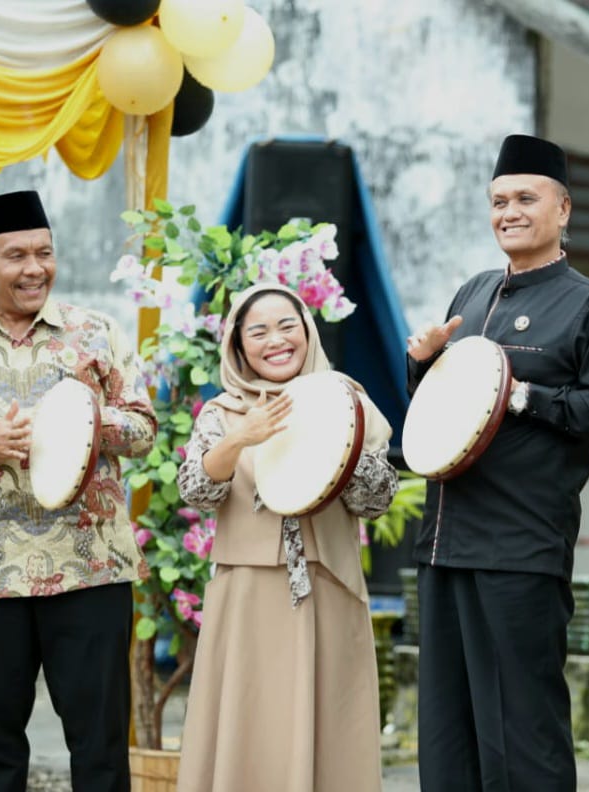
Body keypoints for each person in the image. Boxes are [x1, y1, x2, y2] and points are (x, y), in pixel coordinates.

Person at [405, 133, 589, 791]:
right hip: (444, 543)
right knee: (447, 735)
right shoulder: (471, 293)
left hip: (519, 547)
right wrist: (420, 363)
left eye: (525, 198)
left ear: (561, 209)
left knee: (521, 734)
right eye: (498, 200)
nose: (508, 211)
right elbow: (439, 412)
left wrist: (523, 395)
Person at [0, 190, 156, 791]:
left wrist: (87, 420)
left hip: (90, 568)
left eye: (45, 253)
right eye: (17, 255)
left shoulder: (96, 334)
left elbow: (143, 429)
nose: (35, 269)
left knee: (101, 743)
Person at [175, 282, 398, 792]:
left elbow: (378, 498)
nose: (275, 340)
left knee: (332, 734)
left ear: (308, 331)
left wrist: (343, 449)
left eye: (286, 326)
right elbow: (197, 490)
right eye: (258, 331)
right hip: (247, 595)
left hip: (330, 590)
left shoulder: (347, 400)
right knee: (249, 730)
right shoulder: (222, 413)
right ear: (238, 346)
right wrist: (240, 438)